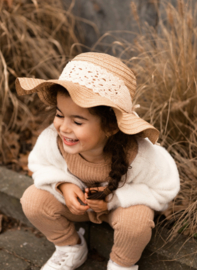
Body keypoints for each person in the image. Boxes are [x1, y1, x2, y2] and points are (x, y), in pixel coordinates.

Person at [16, 52, 180, 270]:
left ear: (111, 126)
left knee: (136, 222)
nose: (64, 127)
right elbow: (39, 165)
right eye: (59, 114)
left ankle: (121, 264)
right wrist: (63, 185)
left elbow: (165, 189)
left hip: (120, 210)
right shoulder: (52, 140)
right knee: (33, 200)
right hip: (78, 209)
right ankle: (70, 247)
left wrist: (113, 200)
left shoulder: (139, 155)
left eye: (77, 121)